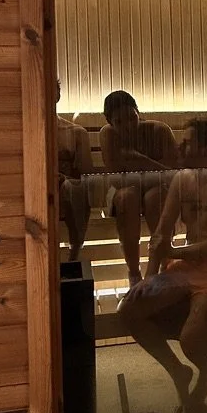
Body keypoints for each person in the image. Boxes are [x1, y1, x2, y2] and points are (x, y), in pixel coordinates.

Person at [118, 120, 207, 413]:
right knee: (129, 310)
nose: (179, 147)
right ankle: (177, 370)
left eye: (186, 142)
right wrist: (147, 279)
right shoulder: (181, 179)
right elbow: (161, 234)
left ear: (206, 148)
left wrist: (172, 251)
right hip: (186, 267)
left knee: (191, 338)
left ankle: (206, 373)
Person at [100, 90, 179, 286]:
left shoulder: (159, 131)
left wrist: (141, 160)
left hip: (159, 187)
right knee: (129, 198)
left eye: (131, 118)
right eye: (119, 122)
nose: (127, 126)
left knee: (154, 198)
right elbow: (116, 179)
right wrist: (148, 172)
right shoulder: (107, 135)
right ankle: (134, 272)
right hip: (124, 190)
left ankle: (164, 262)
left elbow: (173, 175)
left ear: (138, 112)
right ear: (110, 123)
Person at [56, 80, 93, 261]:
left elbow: (86, 174)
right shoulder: (22, 131)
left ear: (57, 95)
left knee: (75, 188)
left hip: (67, 189)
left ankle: (74, 255)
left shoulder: (76, 133)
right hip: (38, 189)